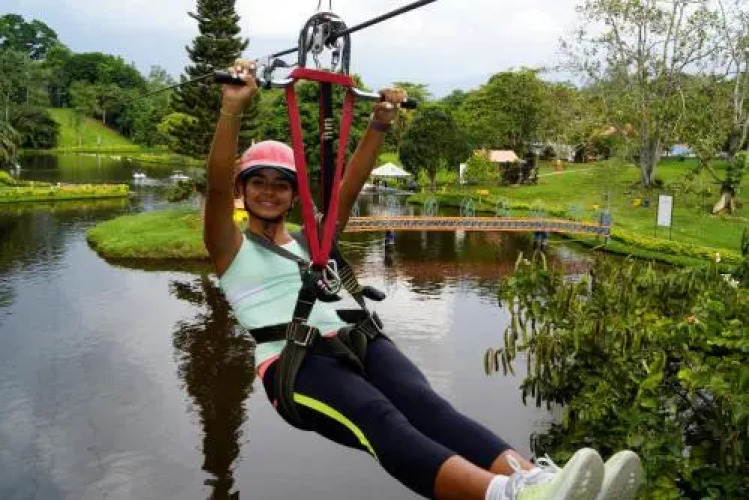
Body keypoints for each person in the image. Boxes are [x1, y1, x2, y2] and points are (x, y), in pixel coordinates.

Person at [203, 59, 644, 500]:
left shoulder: (314, 240)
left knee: (428, 406)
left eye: (280, 184)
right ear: (242, 189)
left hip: (357, 340)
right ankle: (507, 496)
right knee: (380, 418)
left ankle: (540, 482)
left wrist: (379, 124)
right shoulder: (231, 248)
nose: (268, 191)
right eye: (257, 182)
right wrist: (232, 108)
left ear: (293, 193)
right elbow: (218, 186)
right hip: (294, 363)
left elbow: (349, 186)